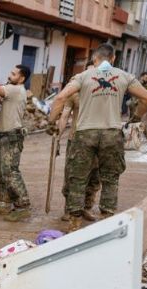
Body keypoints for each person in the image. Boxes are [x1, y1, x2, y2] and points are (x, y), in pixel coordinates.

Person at [48, 43, 147, 232]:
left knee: (78, 179)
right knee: (110, 179)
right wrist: (136, 117)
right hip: (112, 133)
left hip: (85, 133)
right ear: (113, 59)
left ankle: (74, 223)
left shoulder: (83, 76)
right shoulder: (124, 76)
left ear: (94, 59)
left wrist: (51, 121)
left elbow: (60, 98)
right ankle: (108, 221)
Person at [0, 64, 32, 221]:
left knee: (10, 172)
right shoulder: (13, 92)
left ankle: (23, 205)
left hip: (11, 137)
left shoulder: (15, 89)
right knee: (3, 172)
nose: (10, 76)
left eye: (13, 74)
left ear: (22, 78)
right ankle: (4, 204)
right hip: (6, 136)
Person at [57, 58, 102, 222]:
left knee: (94, 178)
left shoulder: (103, 94)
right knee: (72, 176)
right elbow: (64, 116)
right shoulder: (73, 93)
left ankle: (86, 208)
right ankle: (70, 209)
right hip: (75, 140)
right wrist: (58, 136)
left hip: (97, 142)